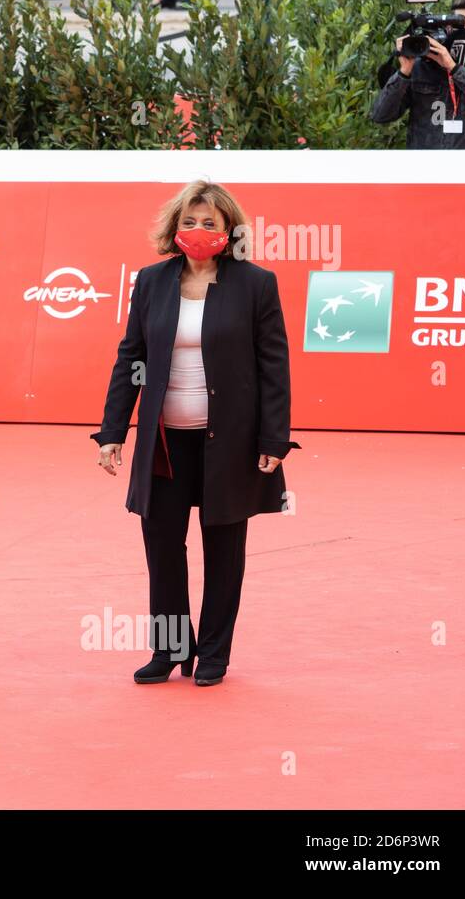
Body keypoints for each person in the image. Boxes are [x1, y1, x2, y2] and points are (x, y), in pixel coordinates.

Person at [91, 180, 299, 687]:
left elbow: (275, 367)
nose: (199, 230)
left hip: (229, 442)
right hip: (164, 442)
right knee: (162, 544)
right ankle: (169, 650)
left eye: (210, 223)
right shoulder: (152, 281)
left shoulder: (256, 284)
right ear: (174, 228)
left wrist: (274, 440)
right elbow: (130, 358)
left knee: (223, 548)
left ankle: (212, 655)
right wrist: (113, 430)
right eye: (190, 221)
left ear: (229, 230)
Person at [371, 0, 465, 148]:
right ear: (448, 27)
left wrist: (453, 68)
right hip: (425, 166)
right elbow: (381, 115)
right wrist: (404, 71)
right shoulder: (421, 67)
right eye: (458, 22)